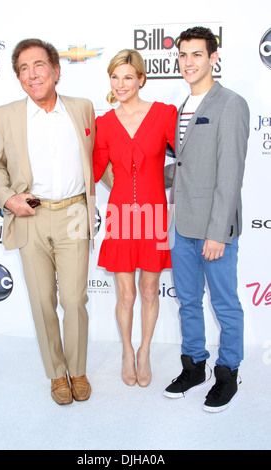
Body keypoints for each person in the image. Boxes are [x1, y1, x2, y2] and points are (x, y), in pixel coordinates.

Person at [0, 38, 96, 406]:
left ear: (56, 71)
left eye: (38, 66)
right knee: (41, 301)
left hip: (75, 213)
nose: (32, 75)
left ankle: (77, 369)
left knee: (75, 298)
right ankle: (56, 374)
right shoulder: (4, 115)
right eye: (23, 69)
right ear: (18, 77)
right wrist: (7, 198)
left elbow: (101, 158)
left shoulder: (82, 109)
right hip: (30, 215)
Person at [163, 27, 250, 412]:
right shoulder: (182, 106)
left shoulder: (230, 103)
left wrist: (218, 233)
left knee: (225, 303)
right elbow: (183, 166)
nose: (188, 62)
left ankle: (228, 370)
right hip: (181, 226)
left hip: (213, 230)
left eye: (197, 54)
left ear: (214, 57)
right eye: (183, 55)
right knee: (188, 302)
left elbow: (230, 173)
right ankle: (194, 365)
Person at [93, 49, 177, 387]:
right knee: (125, 295)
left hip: (154, 212)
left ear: (141, 79)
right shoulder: (104, 123)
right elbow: (95, 169)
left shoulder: (164, 114)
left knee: (150, 291)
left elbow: (187, 153)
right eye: (115, 77)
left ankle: (145, 351)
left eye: (128, 76)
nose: (121, 83)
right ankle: (127, 350)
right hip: (122, 215)